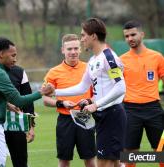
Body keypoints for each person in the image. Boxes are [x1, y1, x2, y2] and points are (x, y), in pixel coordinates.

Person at [0, 37, 53, 167]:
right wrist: (41, 92)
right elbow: (19, 100)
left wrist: (7, 105)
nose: (15, 59)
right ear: (1, 54)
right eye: (12, 55)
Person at [53, 18, 127, 167]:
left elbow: (121, 88)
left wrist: (96, 104)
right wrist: (54, 91)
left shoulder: (108, 57)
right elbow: (81, 87)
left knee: (105, 163)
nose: (81, 40)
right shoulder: (93, 60)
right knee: (115, 162)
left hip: (112, 115)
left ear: (93, 36)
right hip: (103, 115)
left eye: (83, 35)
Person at [43, 34, 96, 167]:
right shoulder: (53, 72)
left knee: (89, 158)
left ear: (80, 49)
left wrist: (89, 101)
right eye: (69, 49)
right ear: (63, 50)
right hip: (65, 120)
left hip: (85, 117)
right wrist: (61, 103)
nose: (73, 52)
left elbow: (98, 94)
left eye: (75, 48)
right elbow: (45, 98)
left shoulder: (89, 68)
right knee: (64, 159)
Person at [120, 20, 164, 167]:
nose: (130, 39)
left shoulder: (157, 57)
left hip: (153, 108)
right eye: (126, 36)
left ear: (142, 34)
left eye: (133, 34)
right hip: (130, 110)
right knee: (130, 153)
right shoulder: (121, 61)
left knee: (160, 150)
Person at [4, 65, 36, 167]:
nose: (15, 59)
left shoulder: (19, 72)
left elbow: (28, 100)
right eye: (12, 55)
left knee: (20, 162)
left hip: (17, 123)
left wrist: (31, 126)